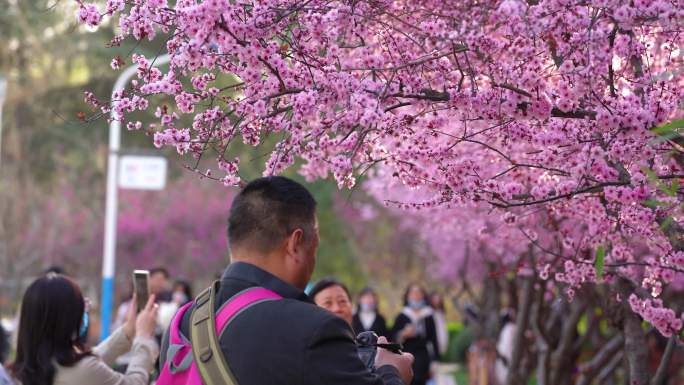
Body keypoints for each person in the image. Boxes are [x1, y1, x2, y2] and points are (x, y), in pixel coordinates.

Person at [160, 176, 414, 385]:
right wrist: (391, 372)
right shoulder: (314, 328)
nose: (313, 259)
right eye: (314, 247)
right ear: (295, 244)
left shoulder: (184, 319)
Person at [9, 273, 159, 385]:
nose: (85, 310)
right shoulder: (83, 369)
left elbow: (91, 361)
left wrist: (128, 330)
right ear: (66, 319)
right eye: (81, 306)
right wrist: (143, 338)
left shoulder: (23, 368)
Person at [392, 283, 440, 385]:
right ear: (407, 296)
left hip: (423, 357)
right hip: (405, 355)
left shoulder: (428, 315)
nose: (416, 295)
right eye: (413, 293)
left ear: (423, 296)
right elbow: (393, 337)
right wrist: (403, 334)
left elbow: (434, 338)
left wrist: (435, 360)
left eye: (419, 292)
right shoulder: (402, 315)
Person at [428, 292, 449, 357]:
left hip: (441, 340)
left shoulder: (441, 312)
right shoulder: (428, 312)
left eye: (438, 299)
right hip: (431, 341)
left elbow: (443, 329)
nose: (437, 301)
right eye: (434, 299)